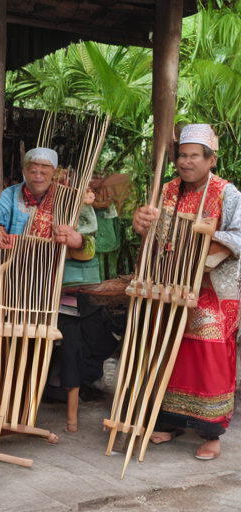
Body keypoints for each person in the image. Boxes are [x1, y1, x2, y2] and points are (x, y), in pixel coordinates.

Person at [0, 147, 117, 435]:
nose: (38, 173)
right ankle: (8, 410)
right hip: (19, 285)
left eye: (45, 168)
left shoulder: (68, 199)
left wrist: (77, 239)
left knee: (68, 337)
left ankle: (35, 407)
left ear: (54, 172)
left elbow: (92, 247)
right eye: (33, 168)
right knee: (11, 339)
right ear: (24, 170)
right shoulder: (12, 195)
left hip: (59, 288)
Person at [133, 124, 241, 460]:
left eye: (195, 155)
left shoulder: (228, 193)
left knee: (206, 354)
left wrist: (208, 239)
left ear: (211, 160)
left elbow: (238, 236)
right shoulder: (164, 190)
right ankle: (169, 420)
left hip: (211, 290)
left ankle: (211, 433)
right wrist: (141, 223)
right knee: (165, 350)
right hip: (168, 283)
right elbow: (148, 236)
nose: (186, 161)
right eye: (182, 154)